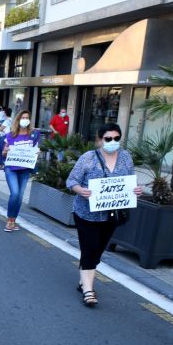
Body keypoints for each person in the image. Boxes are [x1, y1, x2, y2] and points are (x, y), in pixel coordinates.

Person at [66, 123, 144, 306]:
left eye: (116, 138)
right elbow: (71, 181)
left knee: (98, 251)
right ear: (100, 140)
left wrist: (136, 190)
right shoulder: (89, 158)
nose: (112, 142)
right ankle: (88, 290)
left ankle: (84, 278)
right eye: (108, 139)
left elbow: (130, 181)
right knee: (89, 248)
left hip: (111, 214)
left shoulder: (125, 157)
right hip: (86, 214)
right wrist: (80, 190)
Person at [0, 110, 40, 231]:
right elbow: (3, 153)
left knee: (20, 196)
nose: (25, 120)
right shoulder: (11, 135)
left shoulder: (34, 134)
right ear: (18, 119)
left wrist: (37, 153)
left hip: (25, 169)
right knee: (15, 193)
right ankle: (9, 220)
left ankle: (13, 220)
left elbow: (35, 150)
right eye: (23, 117)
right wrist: (6, 152)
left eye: (27, 117)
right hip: (11, 168)